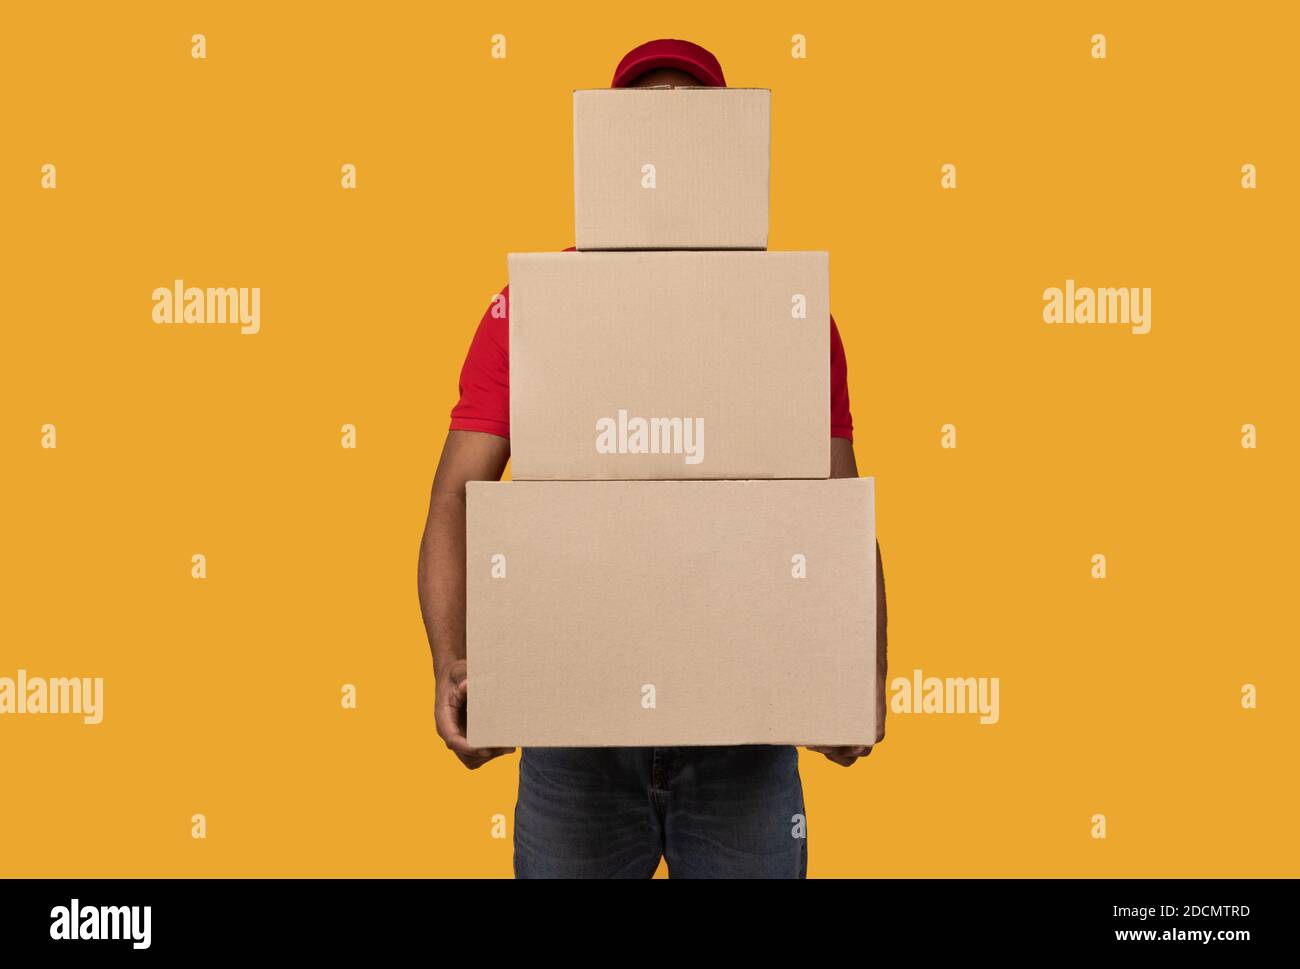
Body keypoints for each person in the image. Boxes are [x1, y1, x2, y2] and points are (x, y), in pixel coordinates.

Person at [417, 39, 888, 878]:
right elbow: (456, 493)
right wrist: (453, 657)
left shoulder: (787, 313)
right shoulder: (535, 305)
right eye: (646, 123)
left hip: (745, 736)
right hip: (577, 738)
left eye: (689, 123)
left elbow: (837, 507)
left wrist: (860, 674)